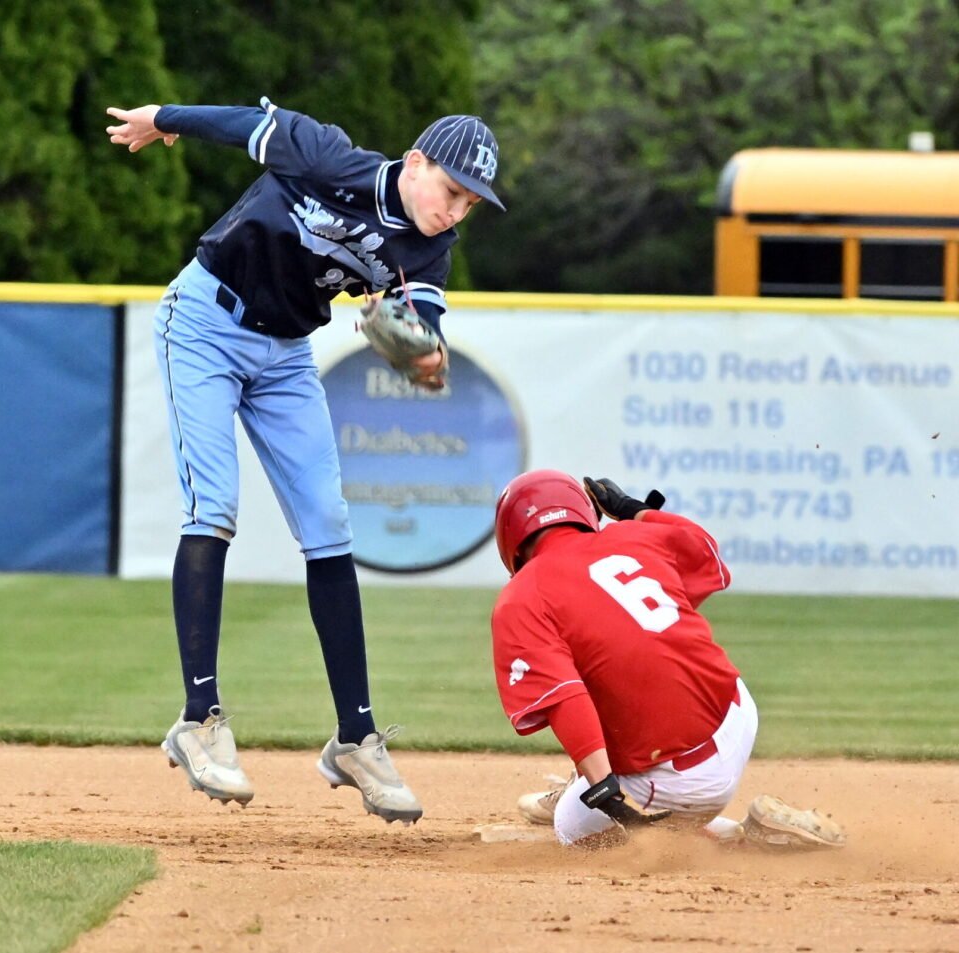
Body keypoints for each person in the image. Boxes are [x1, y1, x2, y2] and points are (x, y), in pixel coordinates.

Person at [105, 98, 505, 823]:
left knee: (329, 524)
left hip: (286, 354)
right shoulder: (327, 156)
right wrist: (161, 119)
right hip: (204, 322)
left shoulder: (426, 251)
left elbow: (426, 345)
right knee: (214, 507)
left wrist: (420, 354)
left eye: (470, 204)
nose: (455, 212)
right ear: (415, 164)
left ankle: (355, 737)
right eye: (451, 191)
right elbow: (238, 124)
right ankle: (199, 719)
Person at [491, 470, 845, 849]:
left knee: (571, 828)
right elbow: (703, 546)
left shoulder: (520, 598)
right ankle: (592, 784)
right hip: (736, 712)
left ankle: (737, 836)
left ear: (509, 537)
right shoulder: (633, 535)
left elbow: (565, 699)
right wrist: (634, 511)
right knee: (613, 666)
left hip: (679, 782)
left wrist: (603, 791)